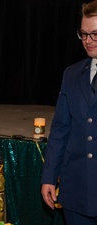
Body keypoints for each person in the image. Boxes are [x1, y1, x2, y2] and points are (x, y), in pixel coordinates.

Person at [41, 1, 97, 224]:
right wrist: (49, 177)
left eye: (95, 34)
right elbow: (60, 129)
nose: (88, 41)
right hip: (76, 193)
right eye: (83, 34)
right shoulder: (71, 74)